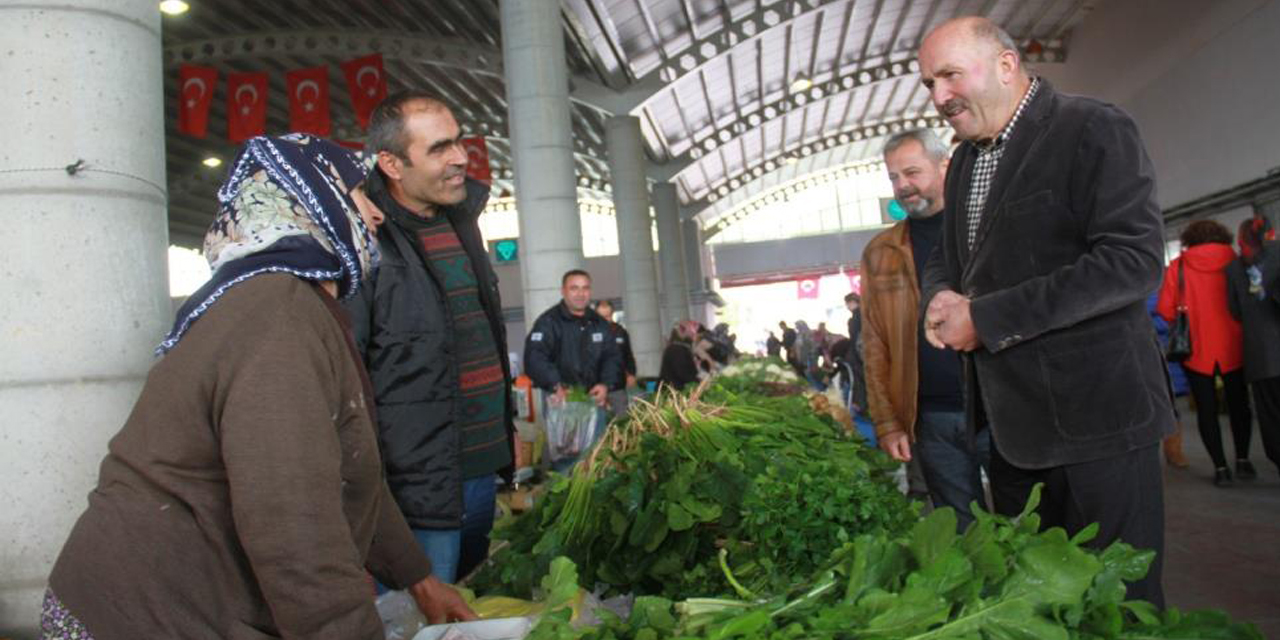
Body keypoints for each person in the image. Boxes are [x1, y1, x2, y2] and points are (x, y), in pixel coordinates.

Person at [43, 135, 474, 639]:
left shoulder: (292, 304)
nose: (376, 214)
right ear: (311, 204)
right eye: (359, 195)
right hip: (139, 617)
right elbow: (295, 529)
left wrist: (420, 581)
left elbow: (350, 473)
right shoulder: (279, 317)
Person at [918, 17, 1175, 604]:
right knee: (1042, 606)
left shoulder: (1092, 128)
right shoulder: (965, 161)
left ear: (1006, 65)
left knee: (1119, 603)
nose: (939, 97)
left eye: (950, 76)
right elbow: (948, 258)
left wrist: (984, 319)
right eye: (930, 83)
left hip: (1098, 425)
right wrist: (940, 295)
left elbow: (1131, 262)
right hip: (1012, 435)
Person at [345, 92, 516, 584]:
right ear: (391, 164)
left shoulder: (462, 221)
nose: (460, 157)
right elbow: (347, 371)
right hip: (417, 488)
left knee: (468, 599)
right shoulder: (363, 238)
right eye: (440, 148)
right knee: (422, 613)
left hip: (483, 468)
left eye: (458, 142)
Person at [863, 128, 990, 530]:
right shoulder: (881, 252)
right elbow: (875, 344)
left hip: (998, 410)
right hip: (932, 419)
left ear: (944, 167)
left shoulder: (987, 227)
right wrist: (888, 422)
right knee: (962, 531)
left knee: (1027, 521)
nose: (902, 186)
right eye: (894, 177)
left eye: (912, 172)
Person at [1156, 220, 1252, 486]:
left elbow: (1164, 309)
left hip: (1196, 350)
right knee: (1239, 406)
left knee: (1206, 410)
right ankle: (1243, 460)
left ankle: (1221, 469)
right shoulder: (1234, 260)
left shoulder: (1179, 266)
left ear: (1190, 238)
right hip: (1234, 345)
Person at [1226, 212, 1280, 478]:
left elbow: (1235, 310)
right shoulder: (1278, 255)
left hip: (1261, 356)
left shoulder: (1234, 269)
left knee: (1271, 419)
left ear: (1242, 242)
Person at [524, 269, 623, 408]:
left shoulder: (599, 323)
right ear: (563, 291)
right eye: (574, 288)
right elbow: (535, 357)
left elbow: (612, 357)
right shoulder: (548, 322)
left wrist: (605, 385)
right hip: (560, 401)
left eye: (585, 288)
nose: (580, 294)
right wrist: (555, 385)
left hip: (594, 400)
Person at [595, 299, 637, 415]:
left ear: (612, 314)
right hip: (597, 387)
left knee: (622, 417)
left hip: (618, 385)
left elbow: (628, 355)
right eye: (601, 317)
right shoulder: (589, 333)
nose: (605, 320)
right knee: (600, 420)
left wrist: (631, 374)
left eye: (607, 316)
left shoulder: (621, 332)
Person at [659, 320, 703, 391]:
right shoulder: (676, 350)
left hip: (677, 390)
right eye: (691, 334)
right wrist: (700, 382)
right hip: (675, 391)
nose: (694, 337)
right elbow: (683, 374)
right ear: (681, 332)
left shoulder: (679, 348)